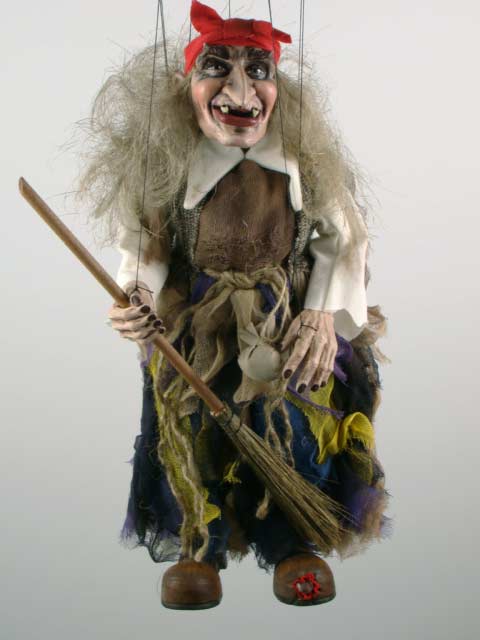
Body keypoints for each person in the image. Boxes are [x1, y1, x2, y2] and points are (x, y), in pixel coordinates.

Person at [80, 0, 389, 609]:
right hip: (198, 325)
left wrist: (320, 313)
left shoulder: (304, 165)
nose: (241, 90)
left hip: (284, 322)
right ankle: (202, 544)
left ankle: (292, 540)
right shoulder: (170, 167)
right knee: (193, 428)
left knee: (292, 427)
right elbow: (145, 244)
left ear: (279, 88)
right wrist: (137, 293)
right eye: (217, 67)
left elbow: (343, 238)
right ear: (186, 87)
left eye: (259, 70)